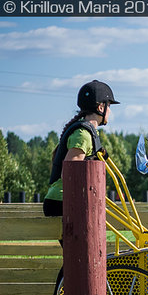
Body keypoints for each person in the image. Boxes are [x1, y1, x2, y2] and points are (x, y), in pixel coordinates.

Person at [43, 80, 119, 217]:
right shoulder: (83, 135)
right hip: (62, 202)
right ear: (101, 107)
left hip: (64, 200)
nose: (110, 111)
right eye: (109, 106)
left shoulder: (87, 132)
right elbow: (69, 174)